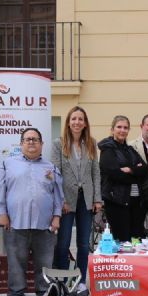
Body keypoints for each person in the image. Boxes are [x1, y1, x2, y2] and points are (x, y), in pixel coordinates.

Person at [0, 128, 63, 296]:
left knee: (44, 266)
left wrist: (57, 216)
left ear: (42, 144)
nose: (31, 142)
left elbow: (58, 195)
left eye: (35, 139)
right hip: (15, 223)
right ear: (21, 143)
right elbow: (0, 191)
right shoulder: (7, 164)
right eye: (27, 139)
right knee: (16, 264)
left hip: (45, 226)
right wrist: (2, 213)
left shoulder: (51, 167)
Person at [51, 106, 102, 286]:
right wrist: (60, 200)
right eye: (74, 119)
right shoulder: (58, 143)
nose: (77, 122)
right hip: (66, 199)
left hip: (86, 199)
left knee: (83, 244)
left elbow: (96, 172)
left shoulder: (91, 143)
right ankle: (63, 281)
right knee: (63, 243)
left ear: (85, 123)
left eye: (81, 119)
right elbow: (55, 173)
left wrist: (97, 199)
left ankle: (80, 281)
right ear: (68, 122)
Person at [98, 115, 148, 242]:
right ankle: (121, 262)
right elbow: (115, 174)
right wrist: (135, 173)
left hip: (136, 202)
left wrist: (130, 169)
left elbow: (144, 169)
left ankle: (135, 261)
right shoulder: (107, 150)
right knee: (122, 240)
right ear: (112, 129)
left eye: (125, 128)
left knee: (136, 238)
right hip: (117, 202)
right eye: (119, 127)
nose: (122, 130)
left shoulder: (130, 149)